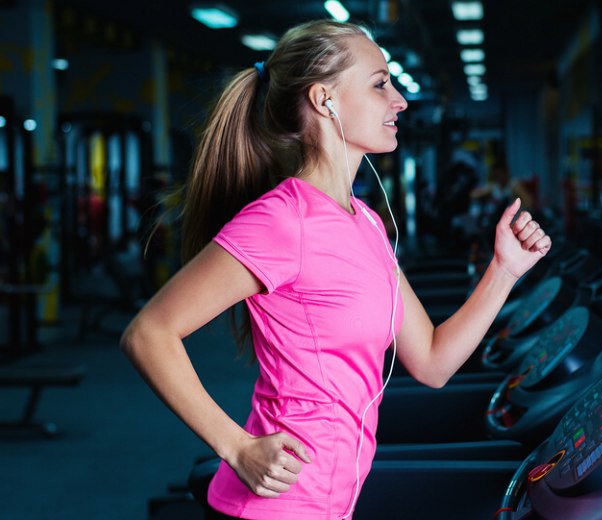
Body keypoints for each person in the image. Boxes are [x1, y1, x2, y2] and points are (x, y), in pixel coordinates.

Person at [120, 19, 551, 520]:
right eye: (380, 84)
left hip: (334, 500)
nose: (400, 101)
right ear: (325, 100)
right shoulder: (282, 220)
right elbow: (149, 333)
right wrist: (236, 447)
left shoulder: (365, 221)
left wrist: (503, 270)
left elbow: (433, 362)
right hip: (279, 506)